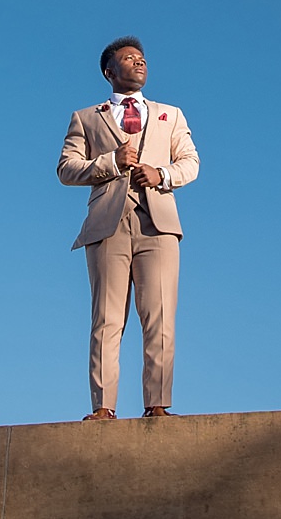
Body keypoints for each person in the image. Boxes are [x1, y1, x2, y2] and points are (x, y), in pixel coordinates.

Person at [57, 37, 199, 421]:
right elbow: (66, 169)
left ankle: (157, 405)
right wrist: (110, 162)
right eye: (129, 59)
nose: (139, 63)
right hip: (107, 226)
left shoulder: (171, 114)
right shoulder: (86, 117)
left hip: (159, 226)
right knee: (107, 319)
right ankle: (103, 408)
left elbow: (191, 162)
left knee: (160, 315)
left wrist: (162, 173)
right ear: (109, 71)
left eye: (142, 59)